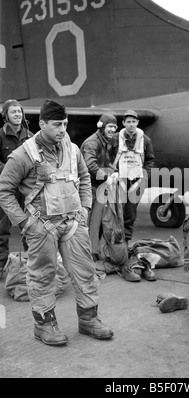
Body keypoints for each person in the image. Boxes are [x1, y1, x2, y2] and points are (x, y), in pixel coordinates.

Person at [0, 99, 113, 346]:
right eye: (57, 124)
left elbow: (84, 177)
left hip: (73, 223)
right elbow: (4, 189)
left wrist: (85, 208)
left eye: (65, 124)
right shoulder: (23, 154)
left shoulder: (72, 149)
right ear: (42, 124)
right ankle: (44, 325)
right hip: (41, 227)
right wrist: (24, 222)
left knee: (86, 272)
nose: (63, 129)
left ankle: (89, 320)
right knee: (42, 276)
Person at [80, 113, 131, 278]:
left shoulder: (106, 142)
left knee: (99, 224)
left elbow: (105, 162)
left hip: (100, 188)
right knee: (88, 224)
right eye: (110, 126)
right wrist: (106, 176)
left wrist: (114, 172)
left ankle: (94, 253)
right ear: (101, 126)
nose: (113, 129)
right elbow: (90, 165)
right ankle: (85, 257)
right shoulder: (91, 143)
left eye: (115, 127)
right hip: (89, 189)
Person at [109, 110, 155, 282]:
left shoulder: (145, 140)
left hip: (135, 181)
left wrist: (144, 175)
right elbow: (108, 156)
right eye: (128, 122)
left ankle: (126, 246)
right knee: (115, 214)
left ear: (137, 123)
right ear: (124, 123)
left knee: (130, 214)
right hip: (118, 180)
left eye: (134, 122)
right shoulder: (115, 139)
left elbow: (150, 160)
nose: (131, 125)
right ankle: (114, 249)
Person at [0, 99, 33, 277]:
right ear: (6, 116)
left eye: (19, 111)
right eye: (13, 112)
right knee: (2, 228)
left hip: (26, 190)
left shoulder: (31, 137)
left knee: (30, 226)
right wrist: (9, 172)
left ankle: (33, 262)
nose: (18, 114)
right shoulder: (0, 136)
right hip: (8, 190)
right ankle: (1, 265)